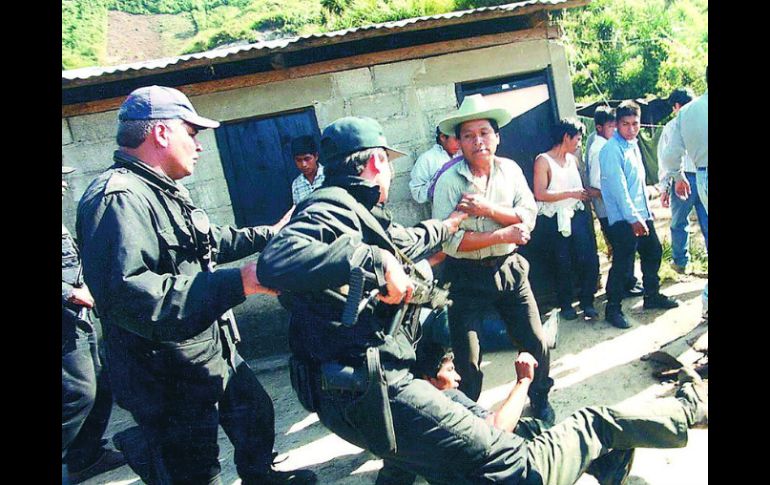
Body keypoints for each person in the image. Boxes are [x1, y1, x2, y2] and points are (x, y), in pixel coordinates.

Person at [75, 85, 316, 484]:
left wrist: (268, 235)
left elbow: (207, 240)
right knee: (193, 467)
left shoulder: (161, 190)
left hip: (207, 350)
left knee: (254, 412)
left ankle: (261, 477)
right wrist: (239, 282)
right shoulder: (117, 198)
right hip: (165, 373)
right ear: (161, 133)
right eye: (192, 132)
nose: (199, 146)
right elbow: (131, 297)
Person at [379, 342, 707, 485]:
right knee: (595, 422)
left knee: (538, 428)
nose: (458, 378)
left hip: (480, 472)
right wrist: (523, 381)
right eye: (450, 371)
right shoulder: (444, 400)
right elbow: (495, 433)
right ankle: (691, 408)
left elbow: (394, 476)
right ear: (428, 379)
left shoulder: (394, 423)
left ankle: (608, 467)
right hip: (516, 472)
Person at [431, 94, 554, 423]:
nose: (478, 141)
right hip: (464, 277)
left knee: (536, 342)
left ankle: (539, 397)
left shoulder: (510, 171)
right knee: (467, 358)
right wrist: (503, 232)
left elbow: (528, 216)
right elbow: (452, 242)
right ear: (458, 143)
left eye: (484, 133)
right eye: (468, 135)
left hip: (509, 269)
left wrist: (487, 211)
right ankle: (467, 420)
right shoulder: (448, 182)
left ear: (496, 137)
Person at [62, 166, 125, 484]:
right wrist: (71, 292)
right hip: (66, 317)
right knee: (79, 394)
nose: (62, 184)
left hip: (76, 320)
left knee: (101, 386)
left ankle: (86, 457)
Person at [599, 101, 680, 329]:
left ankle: (651, 296)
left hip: (641, 214)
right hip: (624, 218)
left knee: (653, 251)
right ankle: (612, 309)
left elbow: (638, 184)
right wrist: (634, 218)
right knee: (623, 264)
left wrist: (645, 211)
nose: (631, 129)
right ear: (616, 124)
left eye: (635, 124)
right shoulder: (610, 150)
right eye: (626, 124)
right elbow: (619, 188)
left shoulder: (633, 145)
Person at [533, 118, 600, 320]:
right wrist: (570, 193)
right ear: (566, 137)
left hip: (576, 214)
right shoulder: (543, 160)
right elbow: (540, 193)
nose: (579, 144)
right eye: (577, 139)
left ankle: (587, 301)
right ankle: (566, 305)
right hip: (554, 218)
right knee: (562, 263)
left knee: (587, 258)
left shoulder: (572, 159)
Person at [660, 69, 708, 320]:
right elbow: (665, 157)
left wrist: (675, 177)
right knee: (680, 222)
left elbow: (668, 156)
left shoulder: (688, 114)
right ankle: (681, 260)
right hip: (690, 177)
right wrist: (669, 183)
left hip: (698, 175)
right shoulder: (678, 121)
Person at [587, 106, 644, 298]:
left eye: (634, 123)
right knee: (622, 252)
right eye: (616, 126)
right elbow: (601, 184)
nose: (628, 129)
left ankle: (628, 285)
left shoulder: (626, 144)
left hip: (622, 208)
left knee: (627, 251)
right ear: (600, 127)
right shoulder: (602, 149)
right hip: (610, 210)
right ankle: (617, 296)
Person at [409, 126, 460, 204]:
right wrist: (437, 182)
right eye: (456, 139)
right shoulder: (427, 159)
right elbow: (417, 194)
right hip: (444, 212)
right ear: (443, 137)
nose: (460, 143)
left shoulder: (463, 154)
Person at [290, 135, 325, 205]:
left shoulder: (329, 175)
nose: (303, 164)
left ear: (316, 156)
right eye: (299, 160)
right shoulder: (296, 184)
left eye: (307, 159)